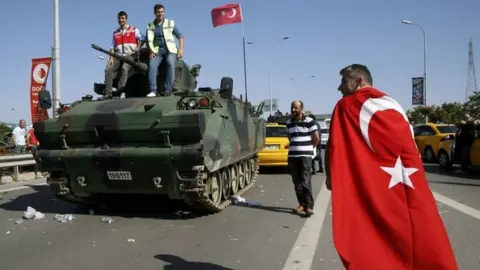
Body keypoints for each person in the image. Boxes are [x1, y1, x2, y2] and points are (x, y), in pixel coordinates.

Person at [326, 64, 457, 269]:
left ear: (360, 81)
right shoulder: (393, 104)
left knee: (374, 227)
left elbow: (336, 147)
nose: (339, 88)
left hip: (377, 182)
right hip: (408, 178)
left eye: (344, 81)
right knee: (417, 222)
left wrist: (331, 178)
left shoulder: (346, 107)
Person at [286, 100, 319, 217]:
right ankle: (302, 204)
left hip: (305, 156)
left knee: (305, 182)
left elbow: (316, 138)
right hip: (293, 156)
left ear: (301, 108)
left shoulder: (309, 121)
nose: (293, 110)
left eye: (296, 108)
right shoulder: (289, 122)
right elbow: (291, 138)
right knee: (297, 183)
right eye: (292, 108)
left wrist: (309, 149)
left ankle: (309, 206)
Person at [145, 4, 185, 97]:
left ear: (164, 12)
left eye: (162, 12)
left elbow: (180, 36)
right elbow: (148, 40)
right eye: (158, 12)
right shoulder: (150, 25)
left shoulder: (170, 23)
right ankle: (153, 90)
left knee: (170, 63)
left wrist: (181, 50)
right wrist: (151, 51)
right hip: (157, 51)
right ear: (155, 13)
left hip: (170, 50)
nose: (160, 14)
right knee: (151, 65)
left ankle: (168, 89)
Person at [104, 11, 144, 99]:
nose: (121, 20)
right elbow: (112, 47)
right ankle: (108, 93)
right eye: (119, 18)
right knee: (108, 70)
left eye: (122, 18)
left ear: (126, 19)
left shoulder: (133, 29)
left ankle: (118, 93)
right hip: (118, 56)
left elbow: (142, 38)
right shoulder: (115, 33)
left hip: (130, 55)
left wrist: (138, 47)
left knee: (124, 68)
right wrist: (111, 58)